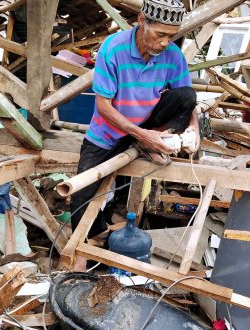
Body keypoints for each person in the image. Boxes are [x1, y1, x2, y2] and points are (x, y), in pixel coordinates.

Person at [69, 0, 200, 271]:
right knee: (83, 193)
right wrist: (142, 135)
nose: (165, 42)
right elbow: (104, 107)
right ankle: (85, 251)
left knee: (186, 96)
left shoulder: (172, 55)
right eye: (160, 34)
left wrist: (194, 129)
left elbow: (187, 98)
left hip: (146, 125)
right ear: (142, 20)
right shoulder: (113, 48)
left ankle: (150, 142)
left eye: (171, 36)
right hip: (107, 132)